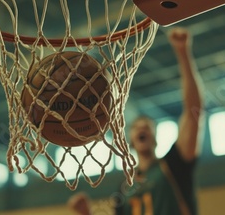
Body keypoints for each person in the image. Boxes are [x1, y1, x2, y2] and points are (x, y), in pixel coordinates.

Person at [68, 27, 205, 215]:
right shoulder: (124, 188)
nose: (142, 129)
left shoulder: (173, 165)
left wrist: (183, 52)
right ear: (129, 139)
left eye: (147, 127)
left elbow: (193, 114)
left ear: (155, 137)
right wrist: (86, 212)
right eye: (137, 127)